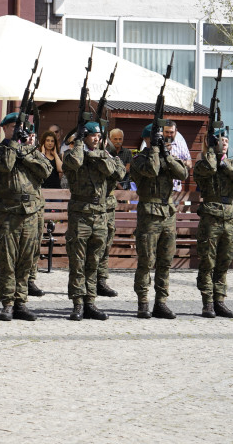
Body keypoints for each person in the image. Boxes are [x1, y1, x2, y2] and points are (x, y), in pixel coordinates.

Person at [0, 112, 51, 321]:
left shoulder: (31, 150)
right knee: (7, 260)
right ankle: (7, 303)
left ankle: (21, 302)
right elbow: (5, 165)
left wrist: (26, 155)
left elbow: (46, 170)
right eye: (13, 127)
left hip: (30, 213)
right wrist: (15, 145)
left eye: (19, 127)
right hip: (8, 212)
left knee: (26, 260)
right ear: (4, 128)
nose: (16, 130)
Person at [62, 122, 126, 321]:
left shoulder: (106, 155)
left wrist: (99, 154)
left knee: (94, 262)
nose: (96, 138)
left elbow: (119, 173)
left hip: (100, 214)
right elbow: (73, 163)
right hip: (80, 214)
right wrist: (79, 143)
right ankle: (78, 303)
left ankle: (90, 301)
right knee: (78, 262)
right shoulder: (72, 154)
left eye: (99, 135)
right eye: (92, 135)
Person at [130, 124, 188, 319]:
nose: (168, 142)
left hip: (168, 214)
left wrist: (166, 154)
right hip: (149, 214)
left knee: (165, 262)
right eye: (163, 139)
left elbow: (183, 174)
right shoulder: (139, 159)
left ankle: (161, 302)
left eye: (168, 140)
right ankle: (143, 303)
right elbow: (152, 170)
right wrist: (155, 150)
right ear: (148, 139)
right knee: (147, 261)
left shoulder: (168, 158)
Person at [193, 130, 233, 318]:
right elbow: (207, 169)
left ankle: (220, 300)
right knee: (208, 260)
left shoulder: (232, 164)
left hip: (229, 217)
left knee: (225, 260)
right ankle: (207, 302)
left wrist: (226, 165)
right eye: (220, 140)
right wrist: (210, 151)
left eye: (226, 140)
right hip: (211, 216)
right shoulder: (204, 163)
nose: (224, 143)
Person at [97, 127, 134, 297]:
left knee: (106, 244)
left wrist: (108, 153)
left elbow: (119, 173)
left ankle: (101, 280)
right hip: (92, 207)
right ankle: (87, 282)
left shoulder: (112, 156)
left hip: (108, 206)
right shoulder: (88, 156)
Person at [162, 121, 193, 210]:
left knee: (173, 214)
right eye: (166, 132)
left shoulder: (181, 144)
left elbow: (190, 163)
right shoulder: (158, 144)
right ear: (162, 131)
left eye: (171, 132)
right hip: (160, 188)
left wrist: (178, 162)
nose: (169, 135)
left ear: (176, 131)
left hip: (175, 188)